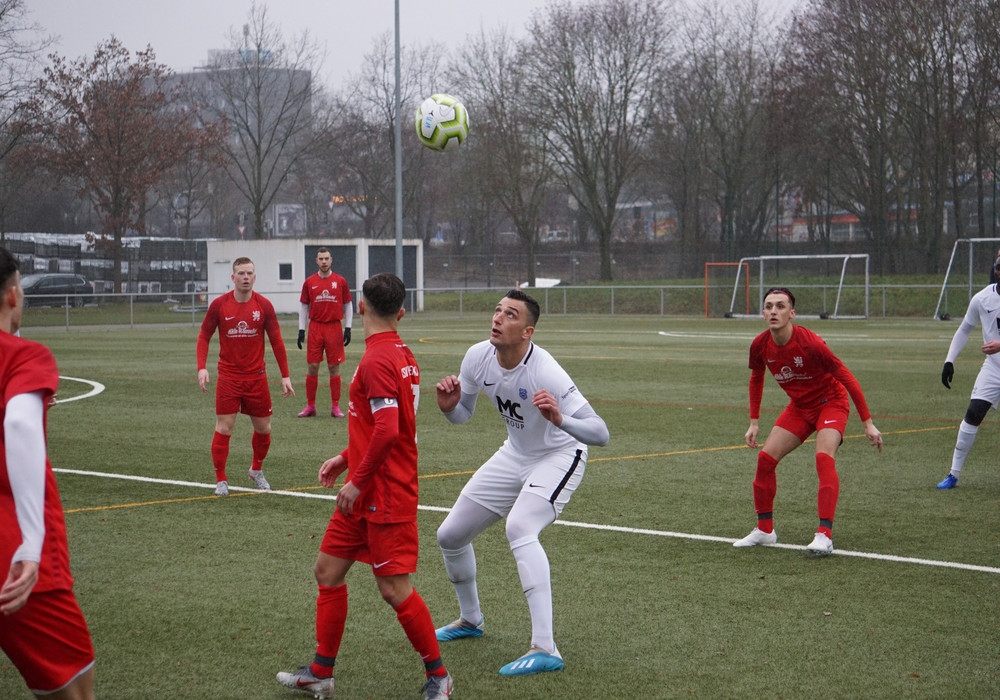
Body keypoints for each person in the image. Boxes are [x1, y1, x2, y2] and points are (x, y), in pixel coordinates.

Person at [277, 272, 453, 700]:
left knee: (394, 589)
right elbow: (379, 426)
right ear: (402, 312)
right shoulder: (401, 353)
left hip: (384, 491)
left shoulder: (377, 359)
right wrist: (345, 457)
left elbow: (388, 430)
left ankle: (440, 678)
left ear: (359, 306)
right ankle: (321, 671)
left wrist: (356, 481)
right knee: (327, 570)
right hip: (368, 486)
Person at [433, 289, 609, 676]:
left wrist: (563, 420)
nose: (498, 318)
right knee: (450, 535)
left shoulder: (544, 370)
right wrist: (450, 409)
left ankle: (546, 647)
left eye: (510, 315)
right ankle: (470, 620)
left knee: (520, 526)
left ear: (527, 331)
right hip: (515, 454)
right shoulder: (477, 356)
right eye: (497, 310)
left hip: (560, 455)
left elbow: (600, 433)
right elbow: (463, 414)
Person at [0, 247, 96, 699]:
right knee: (75, 688)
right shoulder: (22, 356)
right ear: (14, 295)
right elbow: (17, 423)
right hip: (13, 557)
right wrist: (32, 544)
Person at [734, 287, 883, 556]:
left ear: (792, 313)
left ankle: (824, 536)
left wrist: (868, 423)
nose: (773, 311)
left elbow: (847, 377)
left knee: (823, 457)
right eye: (769, 306)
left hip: (831, 403)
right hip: (800, 408)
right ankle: (765, 531)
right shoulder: (760, 344)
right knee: (765, 460)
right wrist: (754, 422)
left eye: (780, 306)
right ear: (762, 312)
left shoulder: (810, 343)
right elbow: (757, 378)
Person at [196, 257, 294, 496]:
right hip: (229, 377)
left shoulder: (264, 306)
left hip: (256, 378)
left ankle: (256, 470)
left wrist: (285, 375)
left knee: (264, 429)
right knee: (224, 428)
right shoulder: (219, 305)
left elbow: (277, 341)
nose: (246, 277)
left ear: (255, 276)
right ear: (233, 277)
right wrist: (202, 367)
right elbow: (204, 336)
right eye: (241, 273)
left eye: (250, 273)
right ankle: (221, 480)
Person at [938, 254, 1000, 489]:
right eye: (998, 267)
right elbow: (964, 330)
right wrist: (949, 361)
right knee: (973, 414)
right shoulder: (982, 299)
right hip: (994, 368)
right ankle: (953, 474)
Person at [297, 247, 353, 418]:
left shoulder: (340, 281)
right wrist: (301, 329)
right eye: (320, 259)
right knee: (313, 366)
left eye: (326, 258)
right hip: (316, 327)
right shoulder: (309, 282)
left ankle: (335, 407)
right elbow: (304, 306)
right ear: (316, 261)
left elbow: (348, 304)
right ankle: (310, 406)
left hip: (334, 327)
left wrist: (348, 327)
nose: (323, 262)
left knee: (333, 367)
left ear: (331, 260)